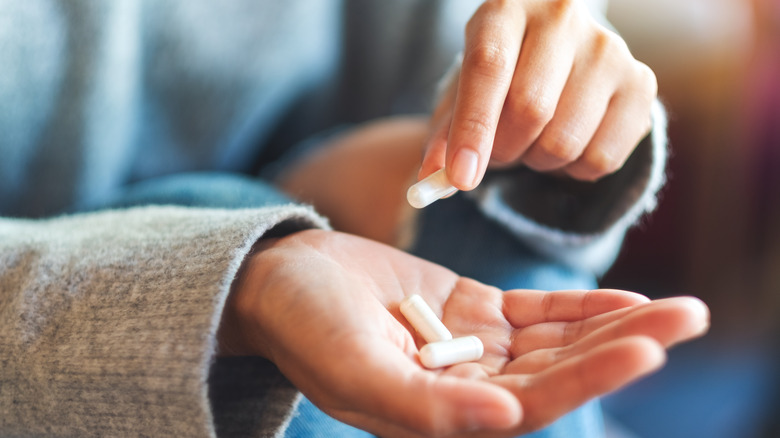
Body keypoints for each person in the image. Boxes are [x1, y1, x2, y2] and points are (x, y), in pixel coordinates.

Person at [0, 1, 708, 437]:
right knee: (232, 221)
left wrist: (558, 125)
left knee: (490, 237)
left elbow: (430, 148)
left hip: (337, 223)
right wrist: (231, 288)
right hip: (59, 358)